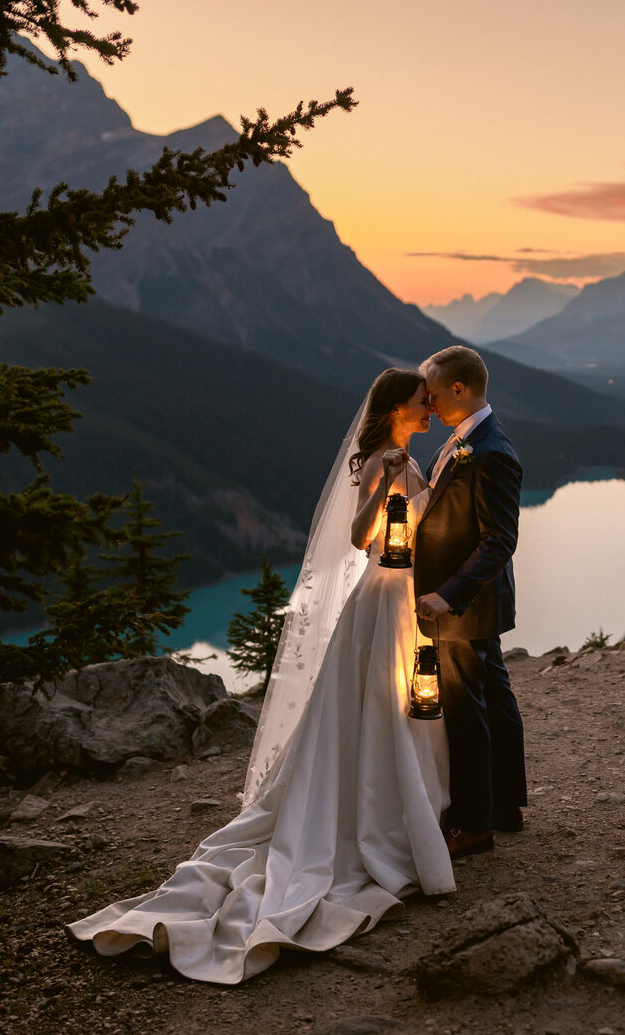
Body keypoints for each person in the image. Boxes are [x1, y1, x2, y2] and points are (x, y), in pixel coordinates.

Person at [66, 368, 452, 985]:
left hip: (404, 593)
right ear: (397, 408)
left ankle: (405, 802)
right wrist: (391, 492)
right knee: (376, 700)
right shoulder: (384, 459)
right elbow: (358, 537)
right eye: (421, 402)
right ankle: (379, 812)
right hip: (380, 592)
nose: (429, 408)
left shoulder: (407, 455)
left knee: (398, 698)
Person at [413, 346, 527, 859]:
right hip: (477, 605)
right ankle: (504, 806)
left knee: (467, 713)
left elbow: (499, 540)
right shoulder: (464, 441)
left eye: (434, 394)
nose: (429, 404)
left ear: (460, 389)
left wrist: (448, 596)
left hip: (464, 606)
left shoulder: (491, 451)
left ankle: (474, 827)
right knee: (497, 702)